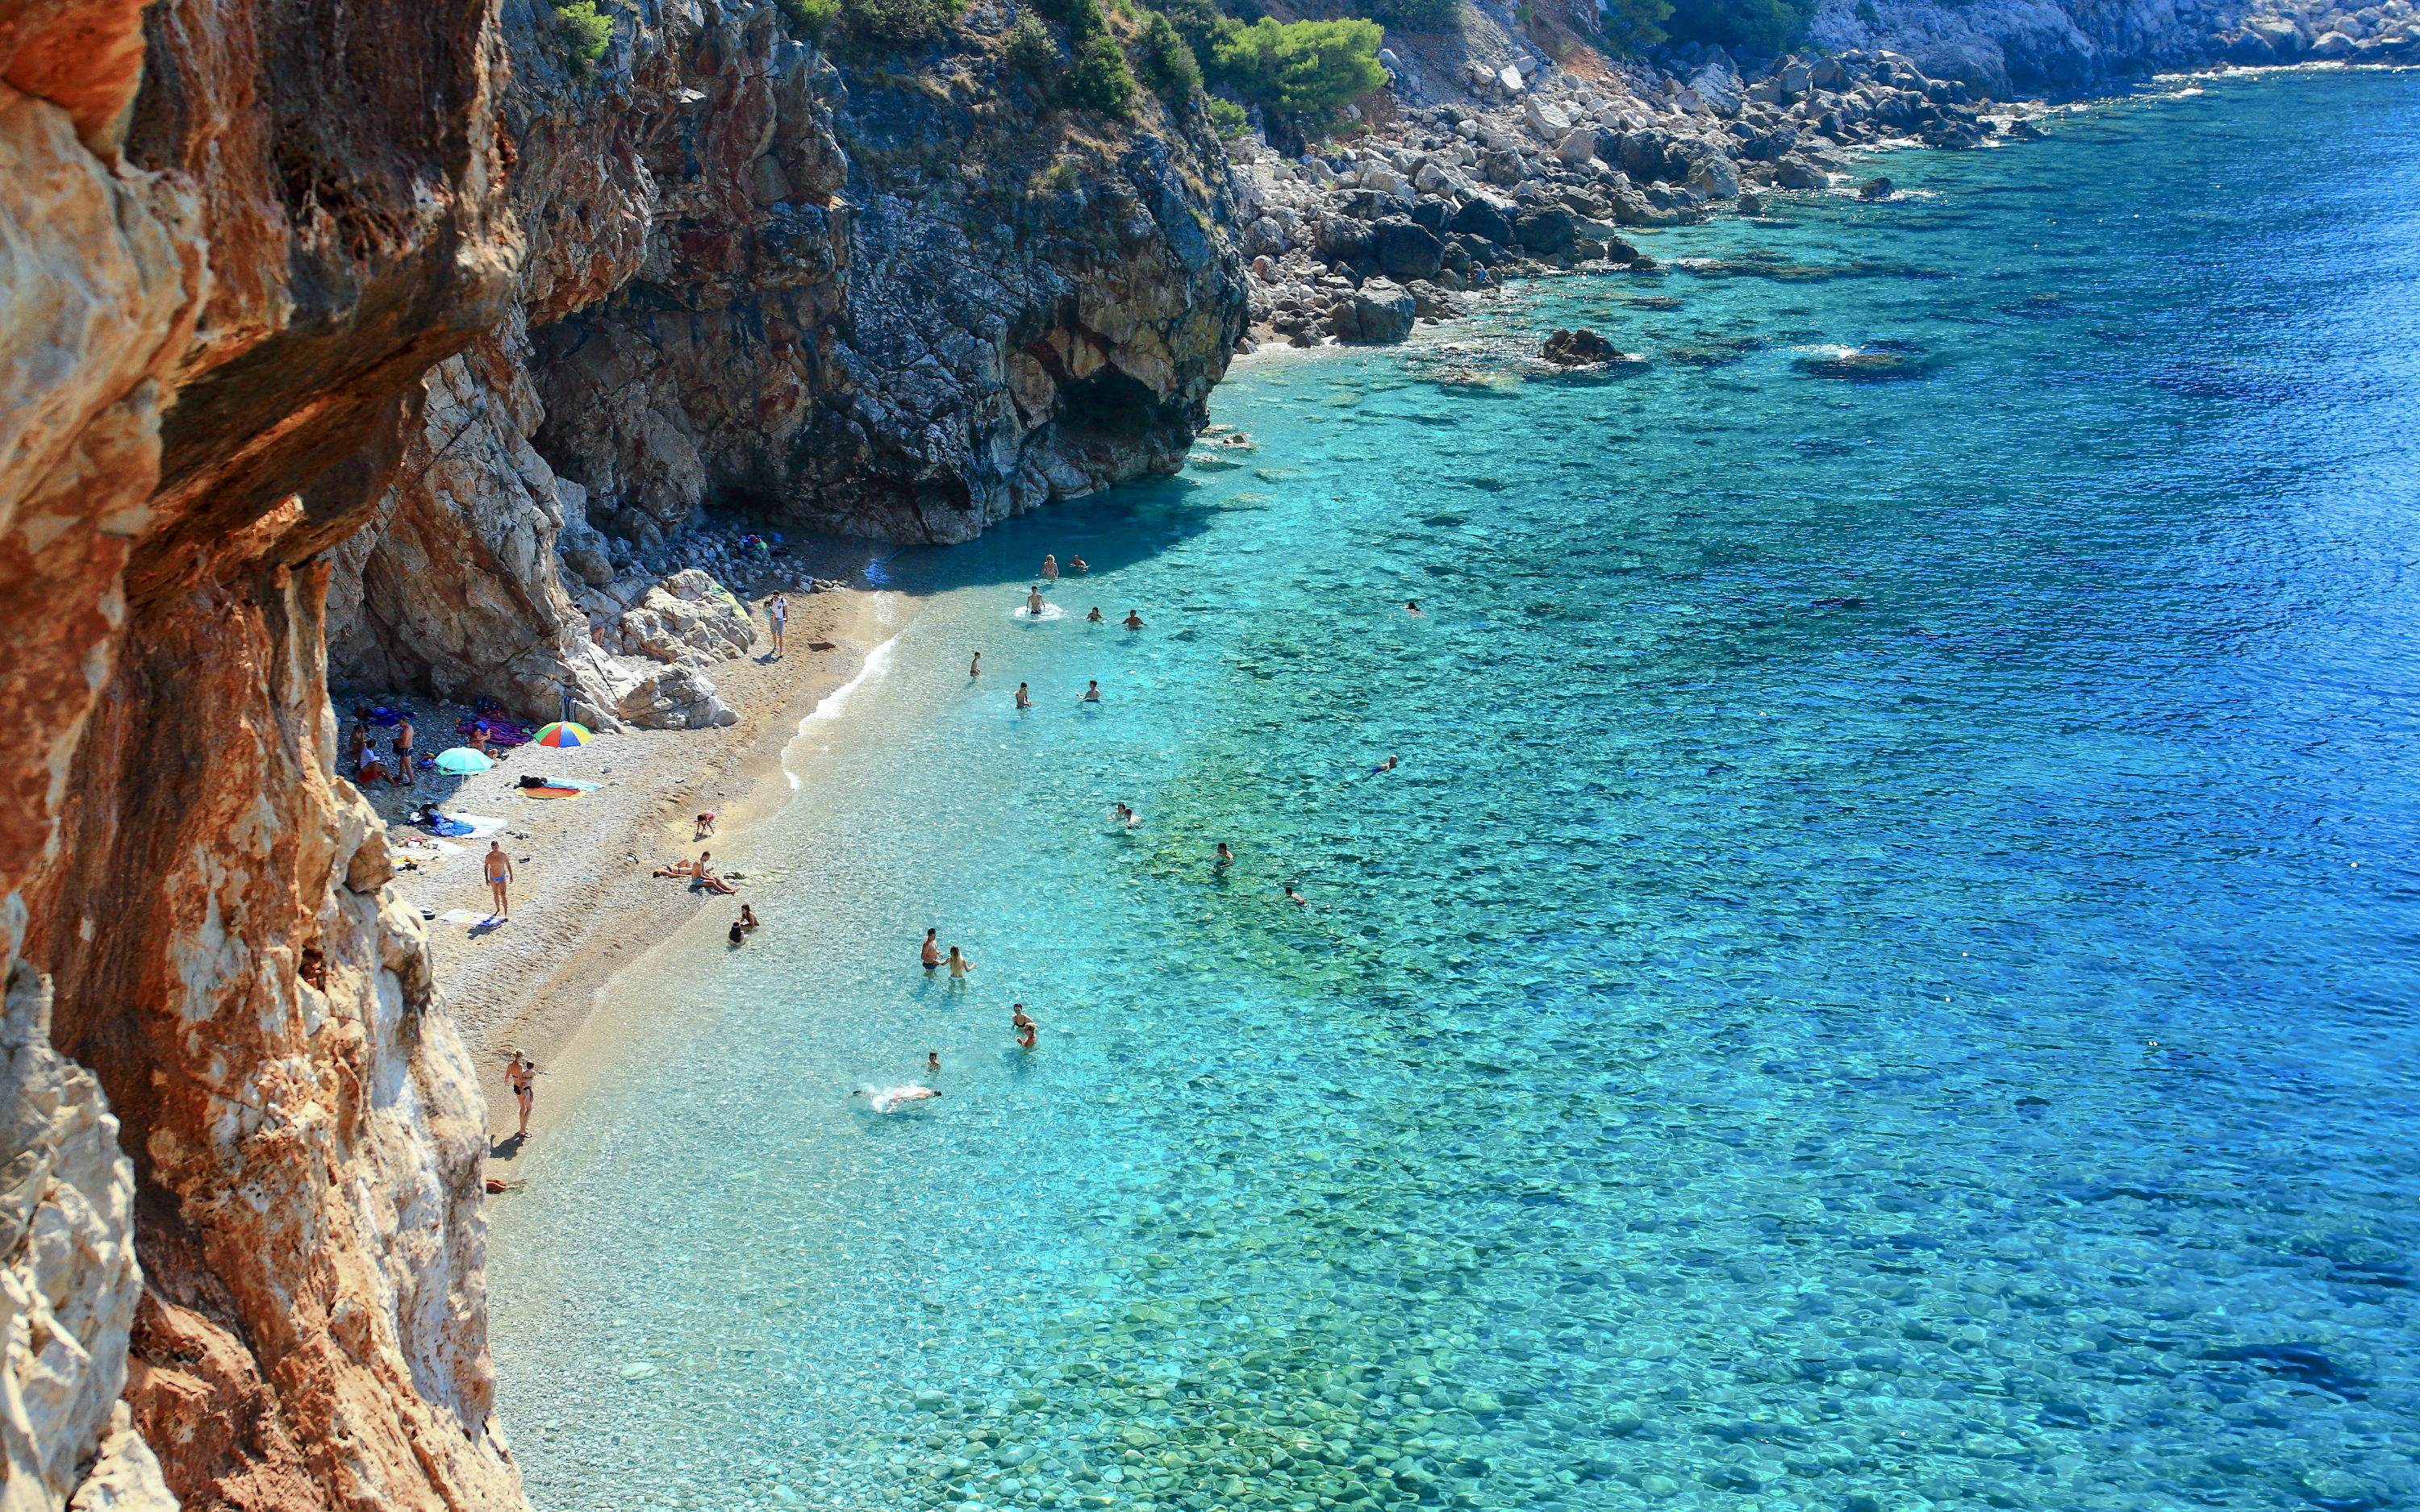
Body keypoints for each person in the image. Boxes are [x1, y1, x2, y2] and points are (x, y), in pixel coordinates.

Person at [506, 1051, 535, 1138]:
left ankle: (522, 1126)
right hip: (523, 1089)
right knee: (529, 1109)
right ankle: (523, 1130)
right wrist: (530, 1079)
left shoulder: (510, 1065)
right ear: (521, 1056)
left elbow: (507, 1077)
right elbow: (521, 1079)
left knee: (522, 1108)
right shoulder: (520, 1066)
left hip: (516, 1087)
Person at [855, 1085, 942, 1112]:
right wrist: (899, 1098)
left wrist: (902, 1086)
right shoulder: (924, 1096)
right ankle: (864, 1095)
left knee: (881, 1093)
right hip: (900, 1094)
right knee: (883, 1100)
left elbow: (911, 1088)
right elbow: (912, 1097)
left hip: (901, 1090)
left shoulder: (926, 1089)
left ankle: (864, 1093)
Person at [484, 841, 514, 920]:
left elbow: (508, 865)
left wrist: (511, 875)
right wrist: (486, 878)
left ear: (498, 846)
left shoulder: (503, 855)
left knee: (503, 895)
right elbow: (486, 867)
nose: (495, 849)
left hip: (501, 877)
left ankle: (506, 912)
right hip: (493, 877)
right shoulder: (489, 856)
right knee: (495, 894)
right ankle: (498, 909)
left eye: (496, 847)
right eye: (493, 848)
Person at [392, 716, 416, 789]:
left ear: (403, 721)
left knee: (407, 765)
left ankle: (412, 781)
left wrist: (396, 740)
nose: (399, 724)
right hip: (406, 749)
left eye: (400, 722)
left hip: (406, 749)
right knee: (401, 762)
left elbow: (404, 742)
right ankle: (400, 776)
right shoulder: (410, 727)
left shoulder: (406, 730)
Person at [769, 592, 788, 657]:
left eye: (776, 597)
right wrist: (771, 613)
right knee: (773, 633)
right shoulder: (770, 601)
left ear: (779, 596)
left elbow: (785, 610)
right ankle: (775, 646)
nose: (775, 598)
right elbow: (766, 609)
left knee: (780, 634)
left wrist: (786, 618)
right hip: (773, 619)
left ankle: (781, 651)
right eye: (774, 597)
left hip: (780, 619)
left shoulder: (783, 601)